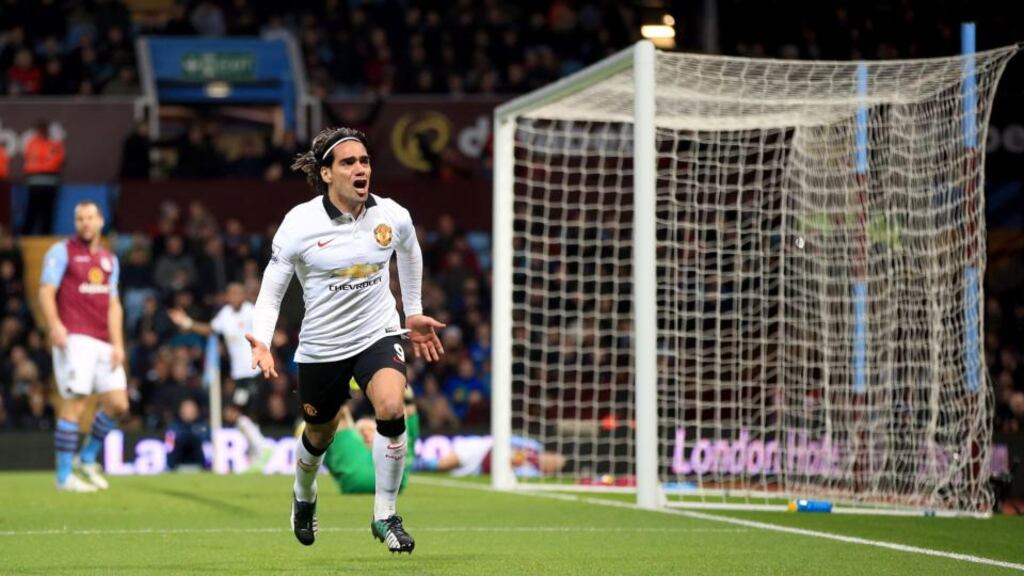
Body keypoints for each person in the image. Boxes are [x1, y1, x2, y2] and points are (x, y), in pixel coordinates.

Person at [246, 126, 445, 553]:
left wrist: (411, 309)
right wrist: (262, 339)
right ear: (327, 174)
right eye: (349, 162)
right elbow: (273, 288)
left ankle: (385, 515)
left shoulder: (391, 215)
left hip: (377, 332)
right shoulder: (299, 224)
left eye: (365, 161)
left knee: (392, 406)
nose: (361, 169)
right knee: (320, 433)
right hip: (322, 346)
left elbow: (410, 249)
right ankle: (304, 495)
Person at [39, 201, 127, 491]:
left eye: (90, 218)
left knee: (118, 403)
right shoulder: (61, 251)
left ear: (101, 221)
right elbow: (46, 290)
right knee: (76, 403)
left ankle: (86, 458)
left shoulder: (109, 260)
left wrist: (118, 343)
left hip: (104, 340)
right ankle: (63, 477)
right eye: (79, 219)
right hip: (75, 336)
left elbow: (113, 304)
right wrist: (55, 326)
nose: (85, 223)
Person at [168, 282, 272, 468]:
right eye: (229, 293)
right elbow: (210, 329)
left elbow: (267, 325)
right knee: (245, 416)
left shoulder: (250, 311)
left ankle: (263, 448)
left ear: (243, 295)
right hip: (240, 375)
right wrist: (187, 323)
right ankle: (258, 457)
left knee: (233, 413)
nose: (232, 296)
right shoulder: (225, 314)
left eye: (235, 293)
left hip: (253, 372)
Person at [318, 383, 419, 495]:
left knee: (397, 422)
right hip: (383, 480)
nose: (366, 433)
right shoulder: (350, 445)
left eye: (370, 430)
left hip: (362, 477)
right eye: (362, 432)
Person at [20, 120, 65, 235]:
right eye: (39, 130)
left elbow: (57, 161)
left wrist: (41, 165)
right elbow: (30, 163)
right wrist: (45, 164)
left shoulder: (55, 144)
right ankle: (26, 235)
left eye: (43, 129)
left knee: (48, 212)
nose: (41, 132)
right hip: (34, 184)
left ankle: (45, 236)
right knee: (32, 211)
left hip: (50, 183)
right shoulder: (31, 144)